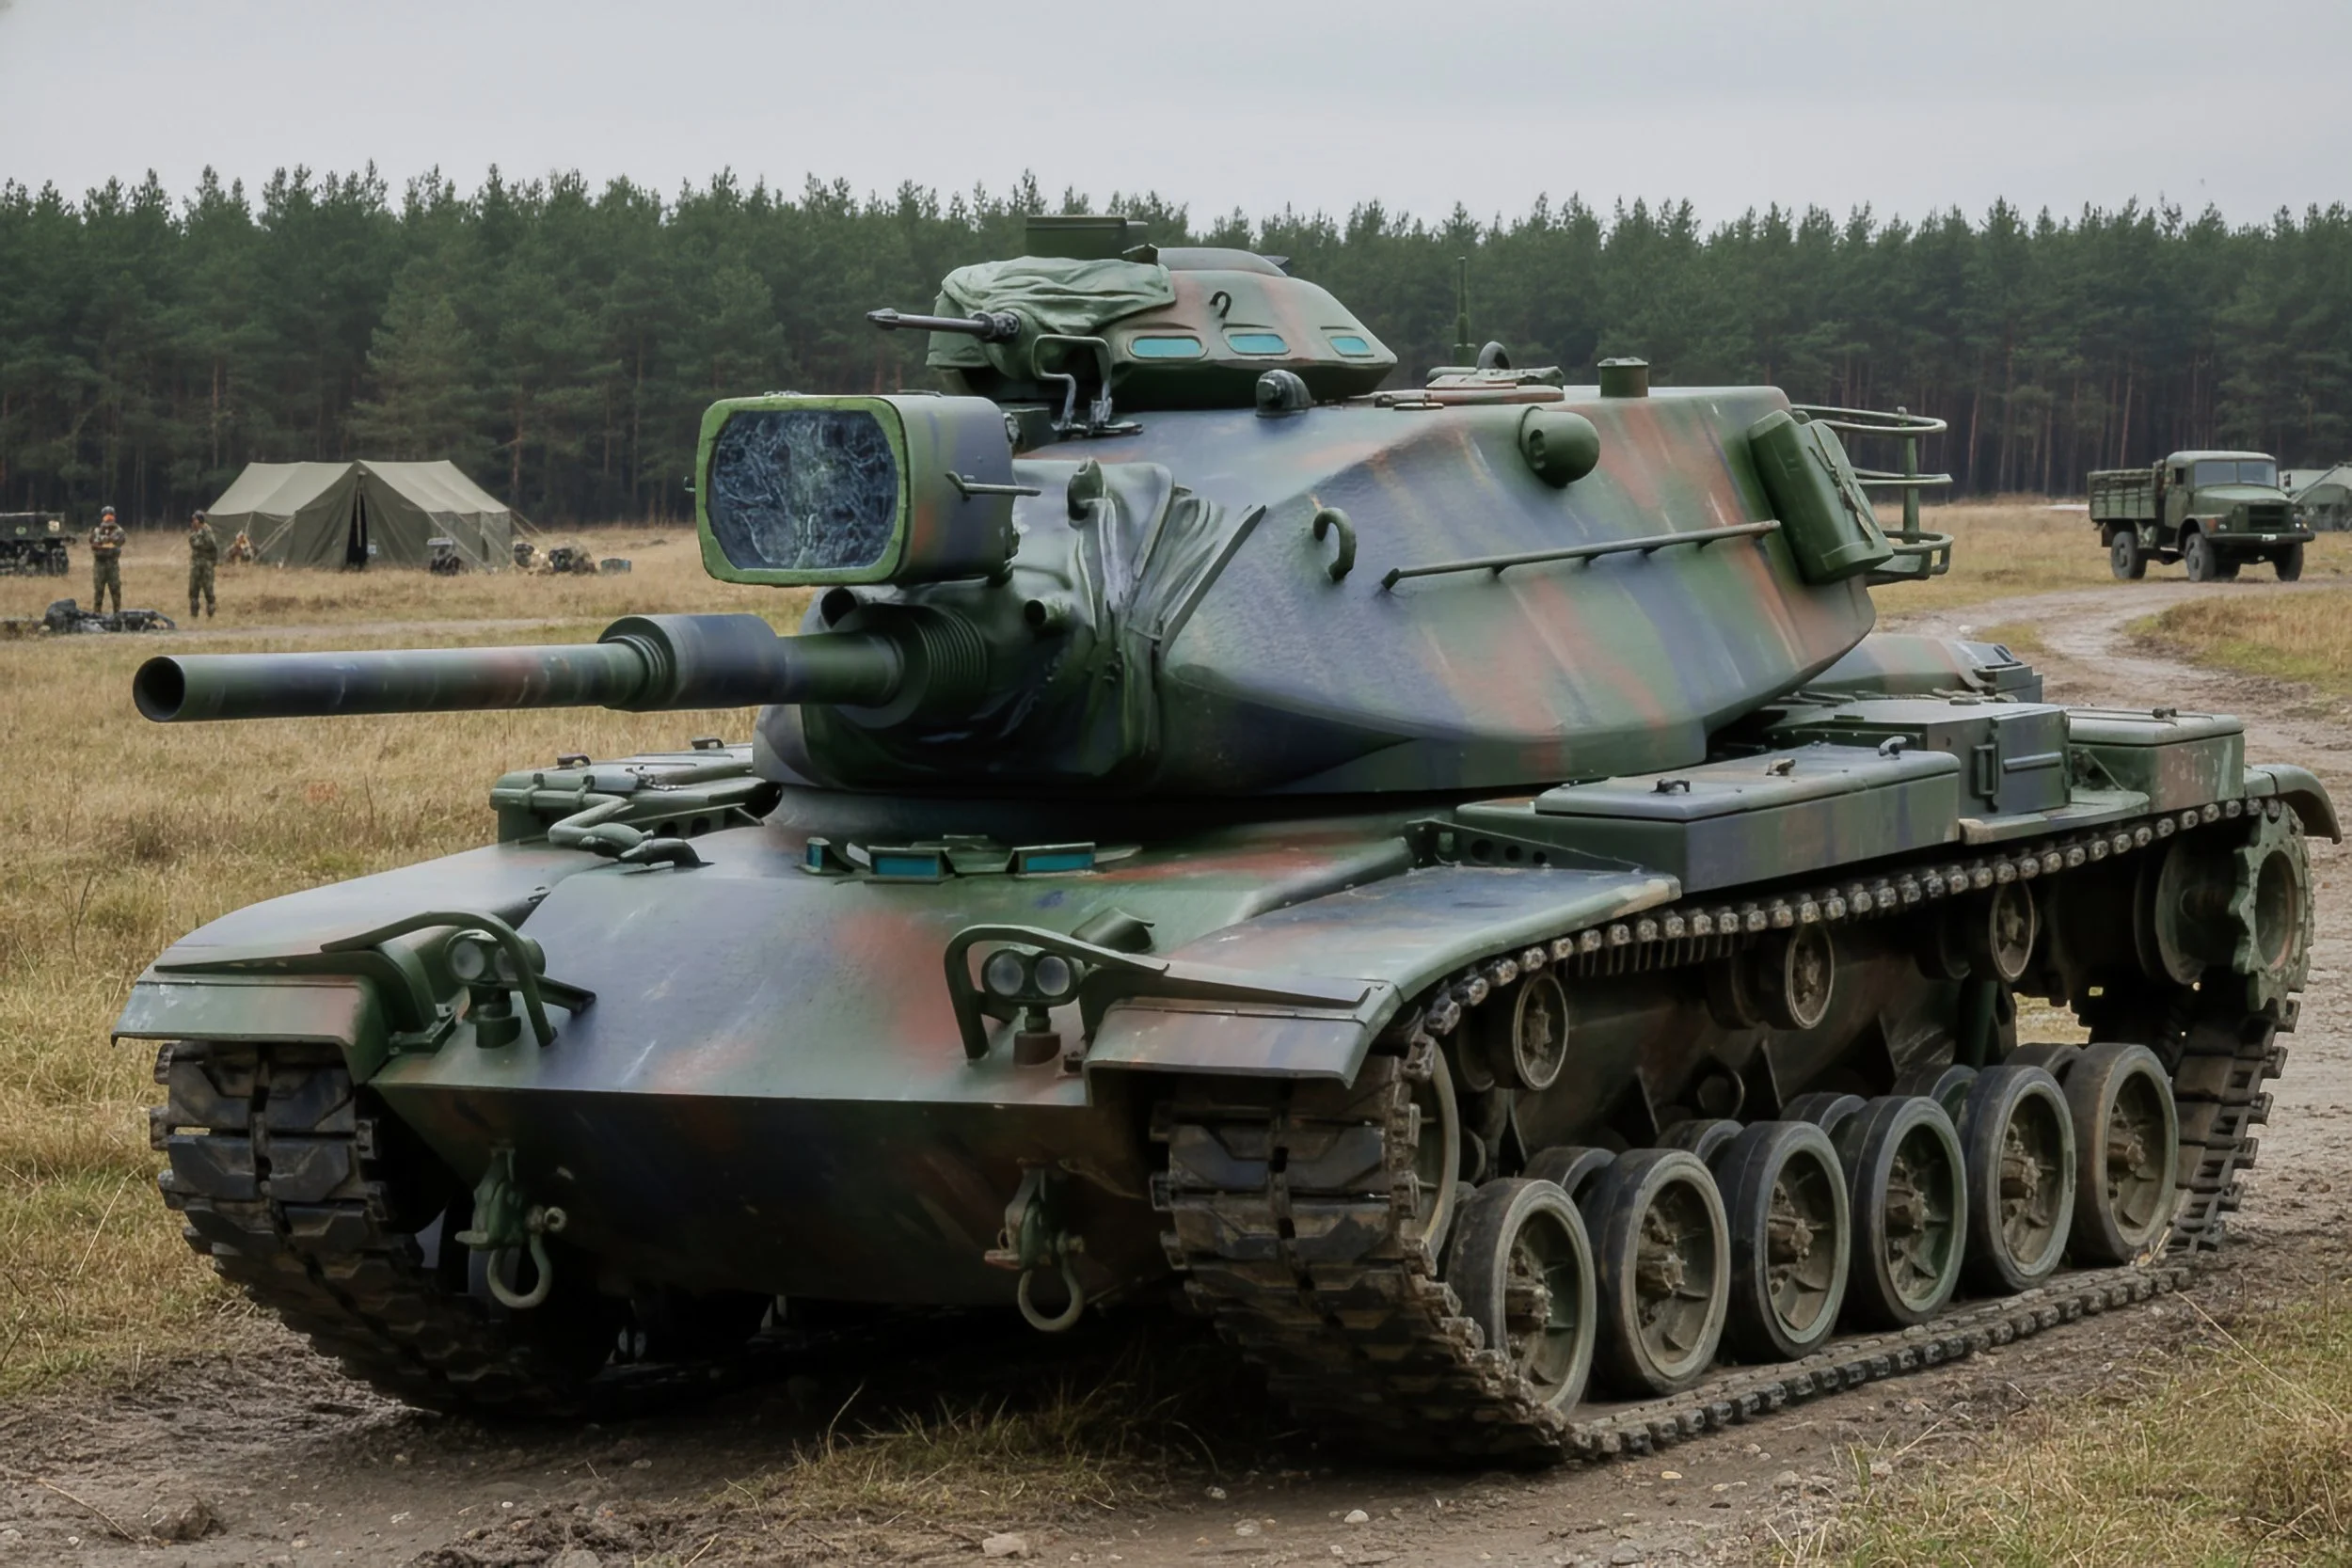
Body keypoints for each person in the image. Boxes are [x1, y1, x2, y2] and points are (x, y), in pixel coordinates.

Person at [88, 505, 126, 612]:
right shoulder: (96, 531)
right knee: (98, 590)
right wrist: (103, 543)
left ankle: (117, 613)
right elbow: (93, 543)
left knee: (115, 589)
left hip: (112, 564)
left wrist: (102, 543)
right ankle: (97, 613)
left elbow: (118, 542)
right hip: (99, 564)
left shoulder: (119, 531)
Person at [187, 509, 219, 619]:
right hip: (196, 565)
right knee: (193, 590)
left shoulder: (207, 531)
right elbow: (192, 542)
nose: (192, 522)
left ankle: (211, 615)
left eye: (194, 520)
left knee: (208, 591)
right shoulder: (195, 532)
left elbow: (210, 545)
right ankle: (194, 615)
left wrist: (198, 542)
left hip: (206, 566)